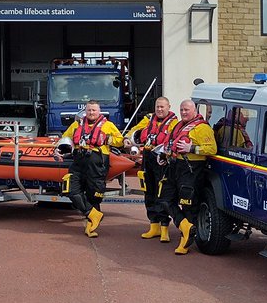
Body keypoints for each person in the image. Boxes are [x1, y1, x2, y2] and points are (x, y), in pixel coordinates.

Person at [58, 100, 124, 238]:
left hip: (97, 163)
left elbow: (120, 140)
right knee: (71, 190)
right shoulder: (77, 124)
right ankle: (93, 214)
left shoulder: (108, 125)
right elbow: (65, 137)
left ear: (99, 111)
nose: (91, 113)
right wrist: (59, 150)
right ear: (85, 111)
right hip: (78, 162)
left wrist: (108, 139)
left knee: (94, 196)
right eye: (89, 110)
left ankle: (91, 227)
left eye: (94, 110)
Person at [162, 99, 217, 255]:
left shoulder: (203, 128)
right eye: (182, 110)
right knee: (165, 199)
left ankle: (185, 242)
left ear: (194, 111)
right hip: (175, 166)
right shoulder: (180, 126)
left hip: (192, 169)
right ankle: (185, 226)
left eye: (186, 110)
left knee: (188, 206)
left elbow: (212, 149)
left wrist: (191, 147)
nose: (184, 112)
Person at [125, 97, 179, 241]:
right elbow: (135, 131)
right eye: (157, 107)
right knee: (149, 192)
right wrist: (129, 139)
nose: (159, 109)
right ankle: (153, 225)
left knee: (162, 193)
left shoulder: (174, 123)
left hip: (162, 159)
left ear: (168, 107)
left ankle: (164, 228)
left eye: (162, 107)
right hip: (148, 157)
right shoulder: (148, 119)